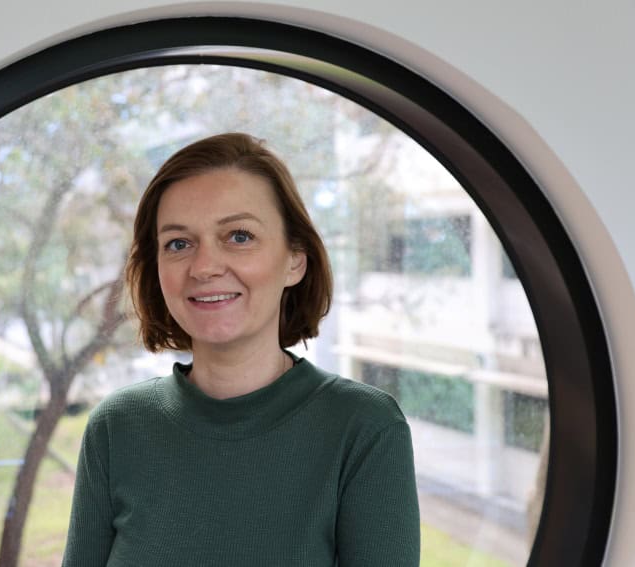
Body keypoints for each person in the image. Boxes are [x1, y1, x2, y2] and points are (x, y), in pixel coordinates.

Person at [62, 133, 420, 566]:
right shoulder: (115, 429)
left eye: (238, 236)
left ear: (295, 260)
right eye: (178, 243)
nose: (205, 266)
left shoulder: (365, 429)